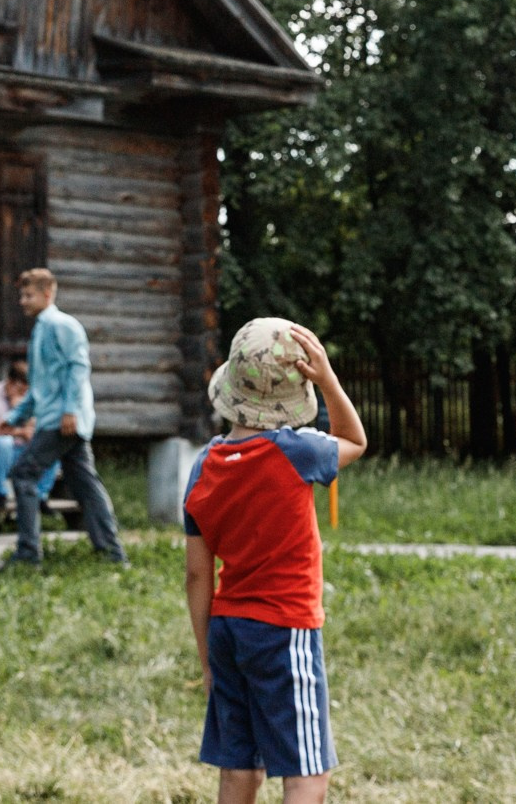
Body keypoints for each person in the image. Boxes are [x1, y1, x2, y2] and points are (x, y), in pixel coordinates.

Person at [183, 317, 367, 803]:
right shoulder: (297, 452)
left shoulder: (203, 467)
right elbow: (356, 440)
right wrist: (328, 379)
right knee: (307, 773)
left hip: (226, 632)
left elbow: (197, 574)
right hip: (284, 631)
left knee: (239, 767)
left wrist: (206, 658)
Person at [4, 268, 126, 566]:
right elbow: (39, 385)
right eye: (22, 294)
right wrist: (16, 416)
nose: (23, 300)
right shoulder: (40, 331)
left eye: (29, 294)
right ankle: (112, 554)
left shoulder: (63, 325)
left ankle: (28, 553)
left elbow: (78, 369)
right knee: (84, 484)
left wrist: (71, 409)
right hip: (54, 416)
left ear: (48, 294)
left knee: (24, 474)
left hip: (63, 419)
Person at [0, 360, 55, 512]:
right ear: (10, 382)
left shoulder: (29, 399)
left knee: (51, 449)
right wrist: (19, 432)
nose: (24, 393)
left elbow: (36, 427)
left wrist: (20, 409)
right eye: (21, 389)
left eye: (27, 390)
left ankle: (40, 497)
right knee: (3, 443)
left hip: (18, 453)